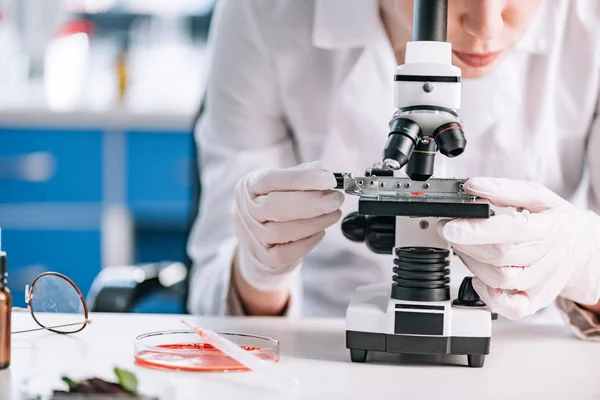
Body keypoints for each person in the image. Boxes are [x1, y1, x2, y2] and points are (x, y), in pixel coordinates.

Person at [186, 0, 600, 340]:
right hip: (322, 344)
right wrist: (259, 269)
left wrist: (587, 264)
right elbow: (212, 302)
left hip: (533, 349)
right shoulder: (265, 13)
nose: (485, 26)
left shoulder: (589, 20)